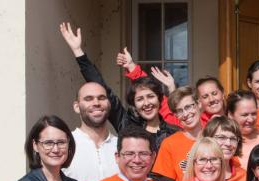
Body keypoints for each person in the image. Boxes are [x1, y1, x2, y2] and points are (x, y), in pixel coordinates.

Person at [59, 23, 178, 153]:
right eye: (139, 99)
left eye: (150, 97)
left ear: (160, 99)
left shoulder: (175, 131)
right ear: (134, 104)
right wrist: (78, 52)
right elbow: (102, 88)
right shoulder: (128, 126)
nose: (146, 103)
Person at [65, 82, 118, 181]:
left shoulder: (122, 146)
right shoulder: (65, 145)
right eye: (88, 99)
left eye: (102, 98)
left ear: (109, 104)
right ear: (77, 107)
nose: (96, 103)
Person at [152, 87, 206, 181]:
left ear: (198, 104)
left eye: (188, 107)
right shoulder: (169, 144)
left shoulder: (214, 137)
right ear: (176, 115)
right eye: (179, 111)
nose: (185, 114)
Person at [227, 90, 259, 169]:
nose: (250, 119)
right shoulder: (224, 143)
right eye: (244, 115)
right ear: (230, 115)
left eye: (253, 114)